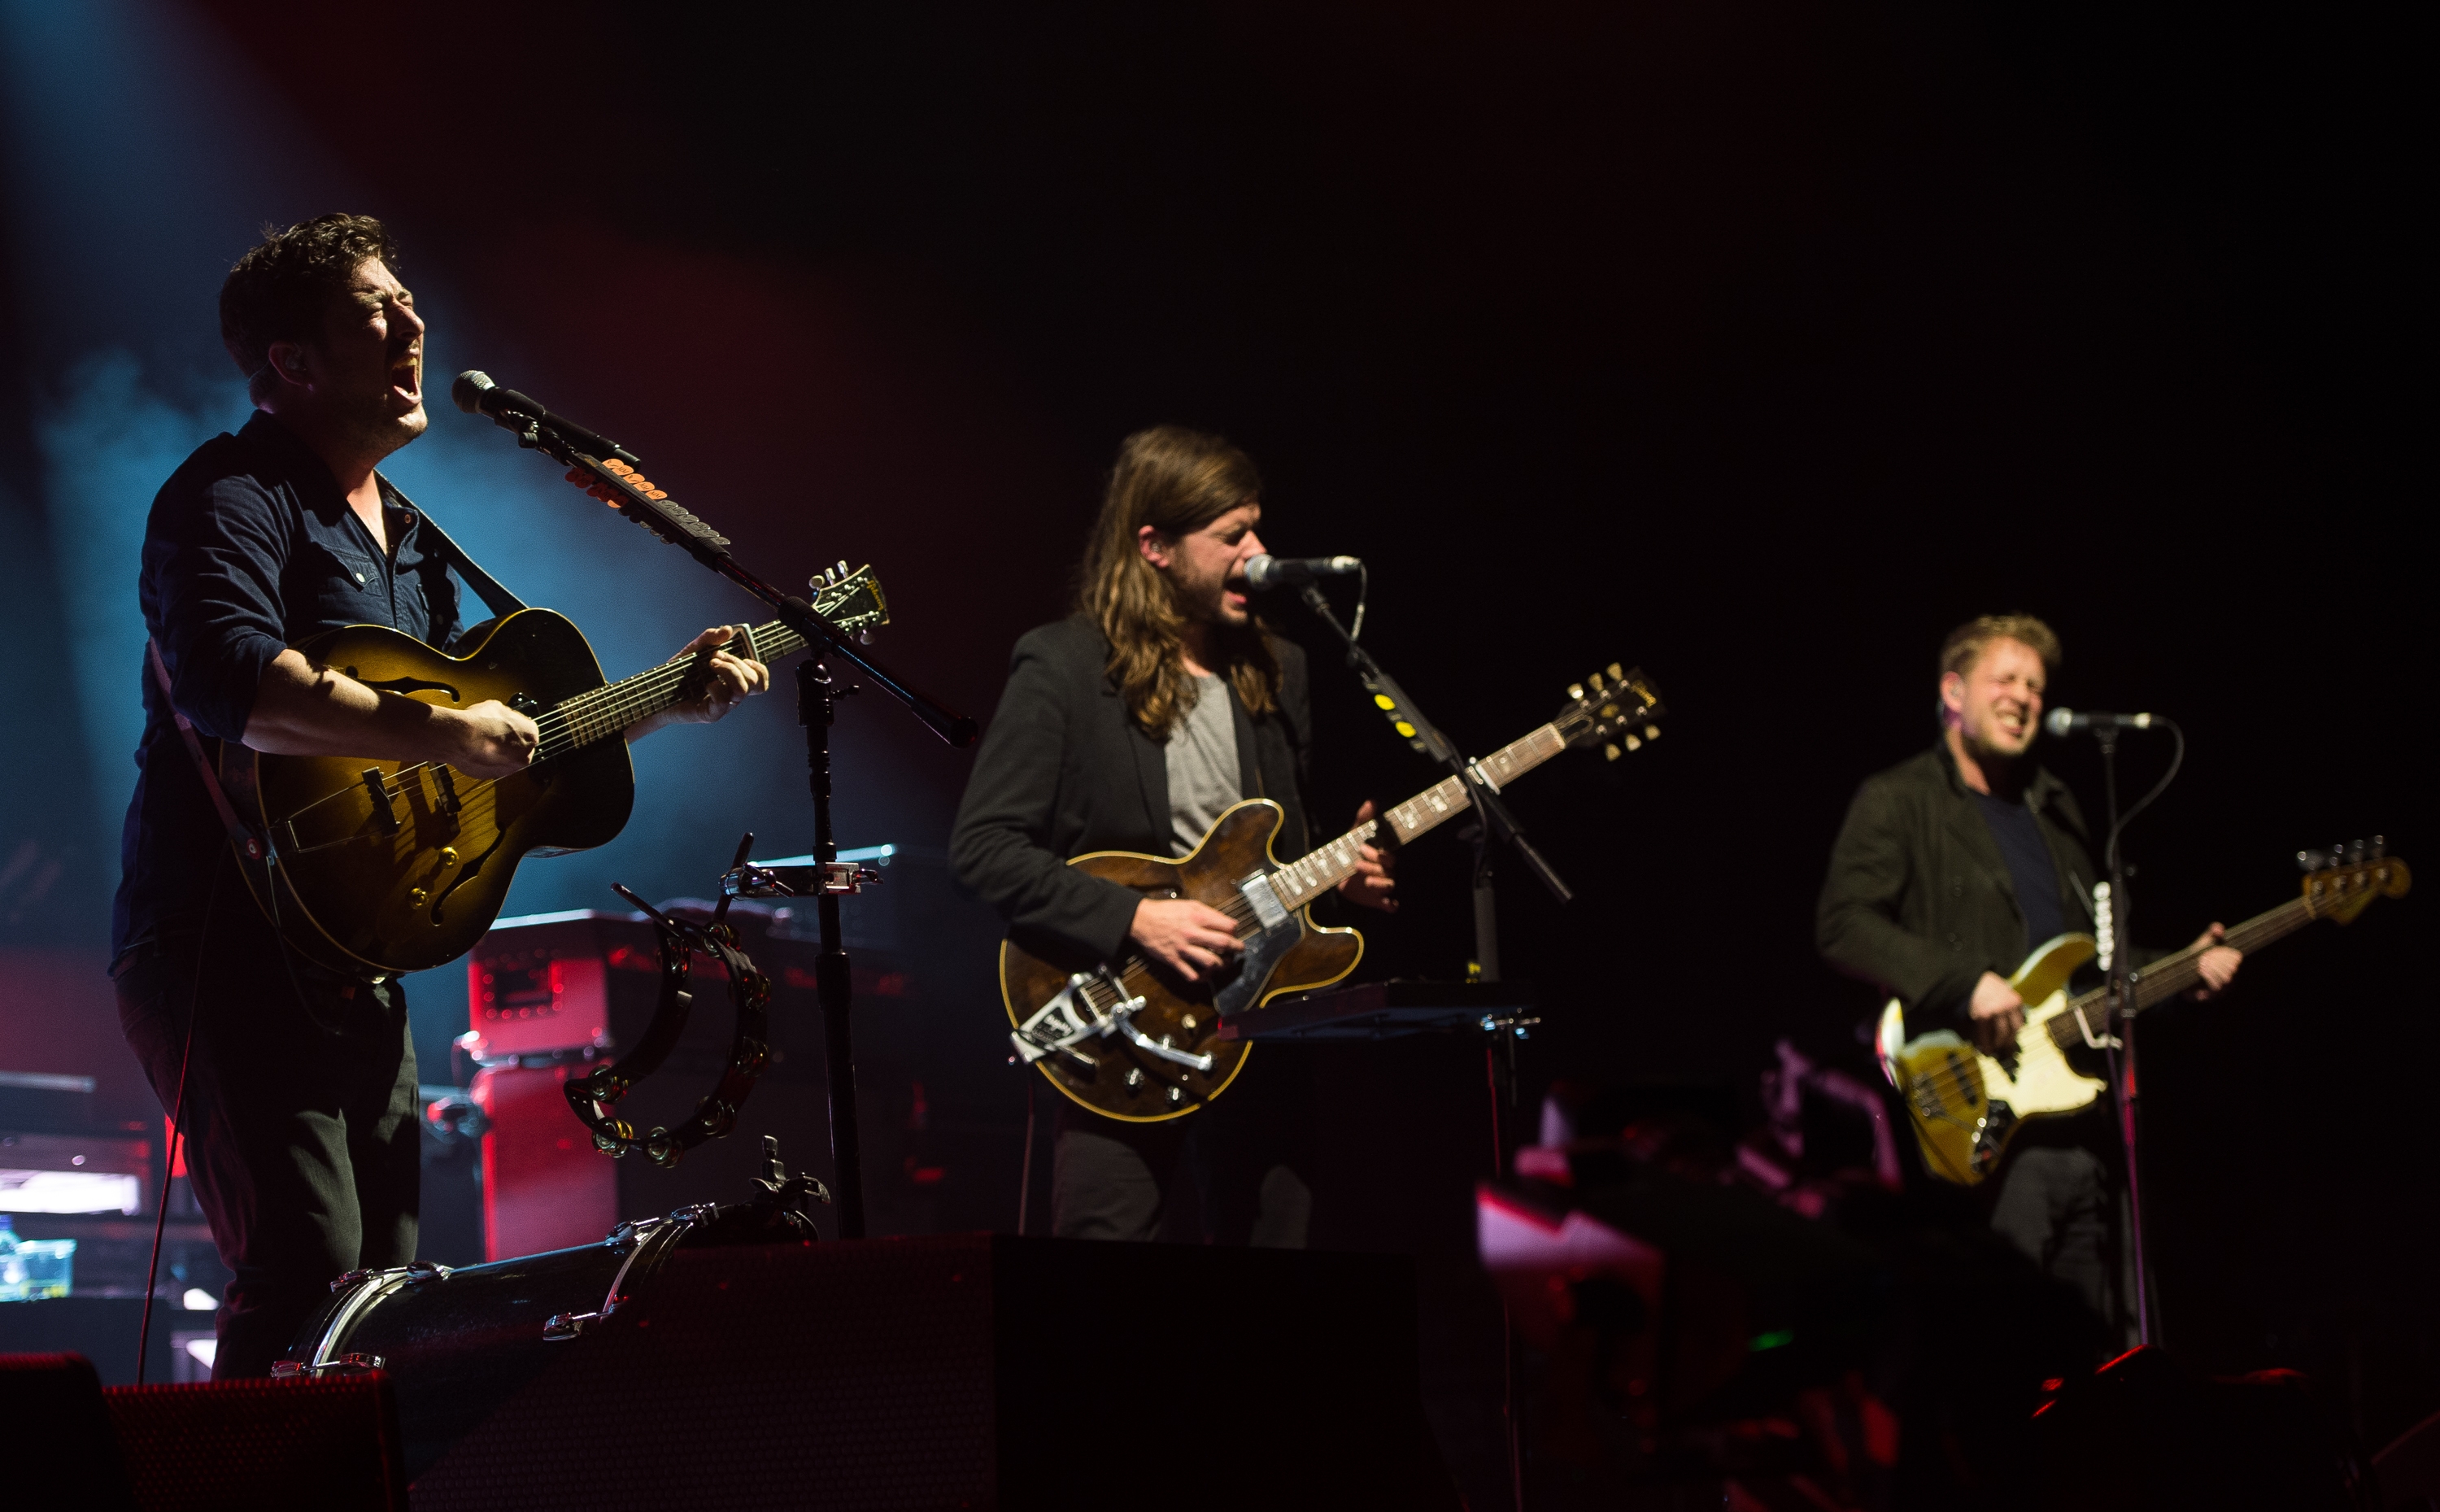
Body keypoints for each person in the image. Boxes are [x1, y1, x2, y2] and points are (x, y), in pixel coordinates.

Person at [113, 214, 769, 1379]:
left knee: (381, 1293)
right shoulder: (231, 493)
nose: (415, 323)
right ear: (295, 363)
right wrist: (439, 726)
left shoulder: (412, 539)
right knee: (303, 1258)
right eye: (378, 308)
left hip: (352, 944)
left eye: (410, 302)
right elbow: (228, 683)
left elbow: (492, 759)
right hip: (221, 935)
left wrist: (665, 701)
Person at [951, 425, 1396, 1244]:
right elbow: (983, 847)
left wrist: (1343, 875)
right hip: (1121, 1023)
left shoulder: (1281, 665)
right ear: (1154, 544)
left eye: (1257, 527)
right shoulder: (1063, 667)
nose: (1257, 551)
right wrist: (1136, 917)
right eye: (1232, 535)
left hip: (1262, 1028)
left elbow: (1278, 846)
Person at [1816, 614, 2240, 1337]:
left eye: (2036, 686)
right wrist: (1965, 980)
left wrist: (2183, 972)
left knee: (2116, 1361)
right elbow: (1843, 925)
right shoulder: (1901, 798)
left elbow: (2099, 962)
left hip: (2089, 1127)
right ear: (1953, 691)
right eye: (2004, 679)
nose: (2024, 697)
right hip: (1985, 1128)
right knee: (2007, 1357)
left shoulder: (2060, 810)